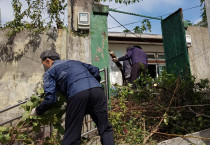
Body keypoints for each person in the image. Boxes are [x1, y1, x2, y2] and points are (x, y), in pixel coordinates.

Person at [30, 50, 115, 145]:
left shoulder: (50, 72)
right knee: (105, 129)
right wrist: (94, 84)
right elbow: (95, 69)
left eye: (44, 65)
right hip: (97, 92)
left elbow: (50, 98)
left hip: (77, 94)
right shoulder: (74, 62)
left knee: (72, 136)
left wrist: (38, 110)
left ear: (48, 61)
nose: (45, 68)